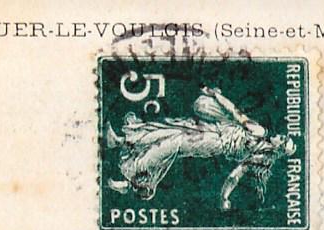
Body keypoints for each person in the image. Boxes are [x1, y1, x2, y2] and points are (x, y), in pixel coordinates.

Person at [106, 86, 295, 208]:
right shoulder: (260, 132)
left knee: (173, 143)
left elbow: (234, 176)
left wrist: (224, 197)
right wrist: (216, 96)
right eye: (284, 137)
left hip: (213, 143)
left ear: (279, 149)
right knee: (170, 129)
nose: (281, 136)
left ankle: (130, 179)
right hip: (214, 128)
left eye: (283, 140)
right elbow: (235, 113)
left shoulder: (260, 156)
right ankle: (123, 140)